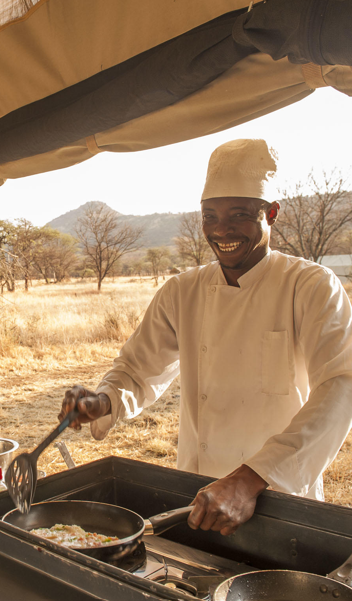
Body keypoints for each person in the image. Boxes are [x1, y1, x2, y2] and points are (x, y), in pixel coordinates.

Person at [59, 138, 352, 536]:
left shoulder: (311, 286)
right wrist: (104, 399)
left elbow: (340, 387)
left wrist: (249, 479)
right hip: (198, 497)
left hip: (279, 493)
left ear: (272, 213)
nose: (221, 229)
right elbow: (138, 368)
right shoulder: (183, 291)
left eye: (239, 215)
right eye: (209, 216)